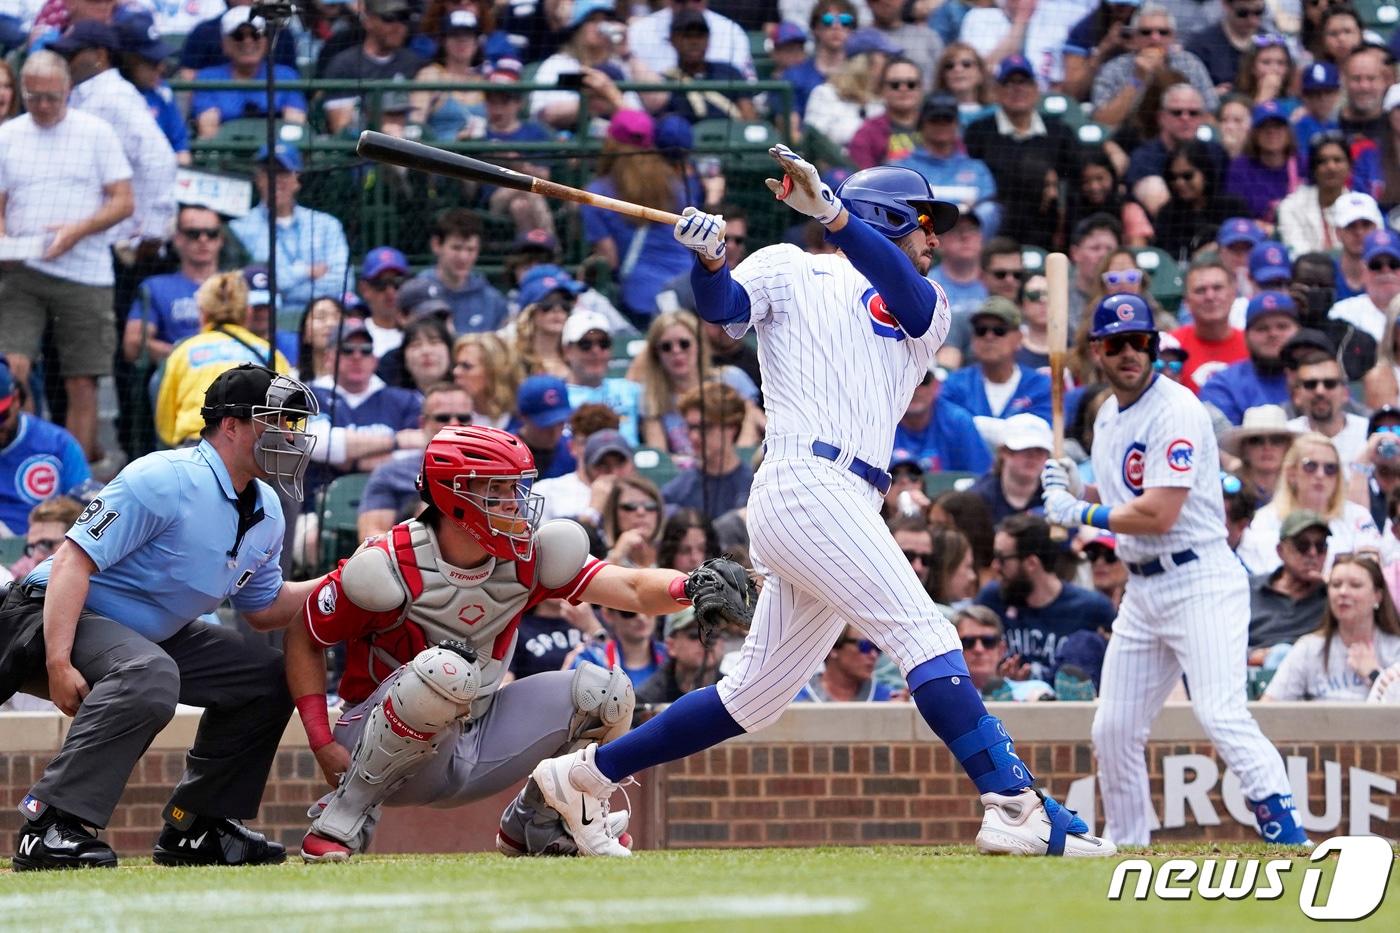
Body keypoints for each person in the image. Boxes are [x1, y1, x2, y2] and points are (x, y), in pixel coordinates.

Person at [529, 155, 1114, 859]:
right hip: (806, 479)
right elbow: (722, 311)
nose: (936, 238)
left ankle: (582, 777)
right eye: (926, 222)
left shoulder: (927, 301)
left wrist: (833, 216)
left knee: (753, 696)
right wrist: (709, 261)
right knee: (927, 635)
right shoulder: (787, 265)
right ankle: (1014, 802)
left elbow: (907, 297)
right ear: (889, 218)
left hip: (847, 498)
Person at [288, 425, 728, 861]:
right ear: (454, 496)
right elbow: (303, 636)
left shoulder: (527, 553)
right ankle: (345, 814)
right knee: (446, 669)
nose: (514, 503)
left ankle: (542, 822)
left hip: (480, 731)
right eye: (496, 490)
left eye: (515, 487)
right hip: (377, 749)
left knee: (607, 693)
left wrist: (689, 586)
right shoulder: (387, 562)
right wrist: (321, 741)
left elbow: (630, 587)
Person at [1, 364, 322, 870]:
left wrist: (346, 582)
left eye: (293, 423)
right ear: (231, 425)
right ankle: (48, 826)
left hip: (145, 636)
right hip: (44, 615)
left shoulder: (269, 509)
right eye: (276, 420)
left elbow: (264, 609)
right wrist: (59, 661)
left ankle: (198, 827)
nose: (290, 434)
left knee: (264, 676)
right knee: (149, 673)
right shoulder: (164, 477)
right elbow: (71, 562)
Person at [1040, 292, 1309, 848]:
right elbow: (1123, 498)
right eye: (1117, 344)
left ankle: (1287, 834)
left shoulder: (1177, 409)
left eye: (1140, 341)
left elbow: (1159, 513)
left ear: (1155, 347)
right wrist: (1076, 487)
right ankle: (1128, 844)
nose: (1130, 353)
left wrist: (1078, 512)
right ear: (1098, 351)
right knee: (1113, 728)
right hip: (1143, 589)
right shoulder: (1107, 416)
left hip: (1199, 579)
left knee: (1219, 713)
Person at [0, 51, 132, 463]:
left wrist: (77, 230)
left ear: (68, 91)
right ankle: (21, 467)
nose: (42, 105)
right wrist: (3, 241)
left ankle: (73, 479)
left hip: (86, 271)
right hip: (22, 270)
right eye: (33, 97)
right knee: (12, 370)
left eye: (51, 97)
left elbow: (123, 200)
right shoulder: (7, 135)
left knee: (82, 381)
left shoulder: (96, 133)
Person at [52, 21, 176, 256]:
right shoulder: (84, 93)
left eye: (72, 53)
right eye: (62, 53)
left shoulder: (113, 97)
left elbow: (159, 159)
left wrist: (153, 230)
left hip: (123, 243)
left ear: (100, 55)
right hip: (96, 236)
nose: (65, 60)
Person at [154, 272, 293, 448]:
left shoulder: (183, 352)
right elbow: (291, 417)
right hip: (255, 450)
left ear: (203, 313)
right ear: (247, 312)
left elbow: (165, 423)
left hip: (197, 449)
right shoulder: (270, 354)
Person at [975, 513, 1116, 683]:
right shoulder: (992, 599)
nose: (994, 566)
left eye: (1002, 559)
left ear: (1031, 563)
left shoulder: (1093, 609)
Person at [963, 54, 1079, 249]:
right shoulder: (979, 132)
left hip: (1047, 227)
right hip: (997, 230)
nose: (1017, 89)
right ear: (997, 91)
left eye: (1024, 82)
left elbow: (1075, 177)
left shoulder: (1059, 132)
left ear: (1036, 89)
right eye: (1009, 83)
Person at [304, 320, 423, 497]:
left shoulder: (405, 400)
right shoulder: (309, 395)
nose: (357, 356)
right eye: (347, 350)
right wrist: (396, 441)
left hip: (394, 499)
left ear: (374, 360)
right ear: (329, 358)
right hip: (319, 499)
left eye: (365, 350)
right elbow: (315, 443)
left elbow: (419, 451)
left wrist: (352, 461)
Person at [1235, 432, 1381, 575]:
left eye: (1330, 468)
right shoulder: (1265, 519)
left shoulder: (1357, 516)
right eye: (1310, 466)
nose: (1320, 474)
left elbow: (1371, 568)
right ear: (1291, 473)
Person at [1263, 554, 1400, 701]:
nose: (1343, 592)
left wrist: (1374, 675)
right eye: (1336, 585)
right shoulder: (1308, 649)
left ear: (1377, 595)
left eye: (1355, 585)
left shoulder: (1396, 649)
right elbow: (1269, 705)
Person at [229, 144, 350, 311]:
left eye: (283, 173)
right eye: (269, 173)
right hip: (265, 318)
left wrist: (283, 287)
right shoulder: (240, 228)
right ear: (259, 179)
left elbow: (343, 283)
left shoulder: (326, 225)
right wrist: (305, 272)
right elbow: (246, 285)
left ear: (296, 180)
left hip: (320, 317)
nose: (276, 181)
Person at [356, 382, 473, 539]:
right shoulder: (390, 474)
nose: (454, 424)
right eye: (442, 418)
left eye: (463, 418)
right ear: (423, 423)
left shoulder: (492, 473)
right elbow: (371, 536)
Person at [123, 204, 225, 366]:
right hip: (177, 372)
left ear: (221, 239)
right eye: (193, 233)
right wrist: (189, 356)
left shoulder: (238, 286)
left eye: (211, 233)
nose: (203, 239)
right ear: (177, 239)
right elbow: (132, 344)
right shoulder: (156, 287)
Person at [1090, 5, 1218, 130]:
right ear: (1134, 38)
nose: (1155, 38)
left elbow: (1211, 116)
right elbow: (1102, 121)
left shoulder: (1190, 64)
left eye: (1163, 32)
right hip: (1130, 137)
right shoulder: (1114, 68)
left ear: (1173, 37)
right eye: (1146, 32)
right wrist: (1137, 79)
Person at [0, 363, 90, 537]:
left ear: (16, 399)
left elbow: (85, 508)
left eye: (1, 415)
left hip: (45, 546)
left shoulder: (57, 444)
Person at [191, 8, 305, 139]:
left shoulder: (287, 76)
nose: (247, 41)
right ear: (225, 44)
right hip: (227, 148)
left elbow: (295, 128)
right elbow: (209, 132)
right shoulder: (207, 78)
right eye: (238, 36)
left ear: (266, 40)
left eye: (255, 35)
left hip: (276, 149)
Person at [890, 92, 998, 230]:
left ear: (957, 124)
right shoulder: (903, 168)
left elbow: (988, 210)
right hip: (922, 233)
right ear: (922, 123)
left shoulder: (976, 168)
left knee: (989, 209)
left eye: (947, 119)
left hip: (965, 234)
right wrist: (930, 229)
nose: (941, 124)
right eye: (935, 119)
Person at [319, 0, 427, 135]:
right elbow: (341, 128)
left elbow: (418, 121)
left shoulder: (413, 62)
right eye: (389, 18)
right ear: (368, 21)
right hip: (361, 144)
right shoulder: (345, 64)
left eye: (404, 18)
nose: (398, 26)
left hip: (404, 140)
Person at [941, 298, 1052, 423]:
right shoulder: (954, 385)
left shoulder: (1040, 387)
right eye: (981, 330)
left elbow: (1042, 430)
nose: (989, 337)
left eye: (999, 330)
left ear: (1019, 338)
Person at [1199, 290, 1300, 426]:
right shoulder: (1222, 385)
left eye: (1282, 326)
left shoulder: (1318, 380)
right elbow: (1220, 437)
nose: (1273, 334)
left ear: (1299, 331)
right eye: (1262, 328)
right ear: (1246, 336)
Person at [1248, 509, 1330, 663]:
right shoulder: (1250, 589)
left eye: (1320, 546)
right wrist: (1252, 656)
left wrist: (1333, 585)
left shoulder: (1332, 596)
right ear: (1280, 551)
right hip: (1253, 668)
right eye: (1302, 545)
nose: (1312, 553)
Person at [661, 381, 753, 516]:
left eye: (705, 427)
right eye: (690, 427)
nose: (694, 436)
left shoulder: (756, 485)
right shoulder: (676, 493)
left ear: (731, 428)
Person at [415, 209, 509, 335]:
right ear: (436, 245)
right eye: (456, 248)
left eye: (470, 249)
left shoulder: (493, 301)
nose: (463, 257)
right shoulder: (416, 293)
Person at [535, 411, 633, 525]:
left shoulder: (640, 494)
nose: (595, 447)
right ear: (572, 446)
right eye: (586, 442)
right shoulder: (544, 491)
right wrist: (593, 512)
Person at [562, 310, 643, 446]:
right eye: (585, 344)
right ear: (567, 350)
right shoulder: (556, 396)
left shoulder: (630, 390)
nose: (596, 351)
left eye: (603, 343)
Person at [660, 9, 756, 123]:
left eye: (700, 36)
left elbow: (750, 119)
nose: (694, 42)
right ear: (673, 40)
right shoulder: (665, 82)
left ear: (708, 39)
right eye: (687, 36)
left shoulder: (729, 73)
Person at [893, 366, 991, 474]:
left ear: (936, 386)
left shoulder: (958, 422)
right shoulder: (882, 424)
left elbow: (981, 475)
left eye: (924, 380)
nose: (915, 388)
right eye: (905, 380)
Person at [1171, 259, 1246, 393]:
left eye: (1217, 288)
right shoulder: (1171, 346)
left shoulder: (1252, 346)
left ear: (1233, 294)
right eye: (1200, 290)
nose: (1210, 296)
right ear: (1186, 301)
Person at [1287, 354, 1369, 468]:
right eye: (1310, 384)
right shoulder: (1285, 436)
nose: (1320, 391)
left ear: (1346, 393)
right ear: (1296, 396)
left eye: (1330, 384)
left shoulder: (1367, 432)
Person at [969, 412, 1051, 524]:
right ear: (1004, 452)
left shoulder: (1056, 497)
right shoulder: (978, 498)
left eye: (1040, 450)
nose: (1032, 457)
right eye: (1024, 449)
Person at [633, 607, 726, 705]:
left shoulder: (733, 691)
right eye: (694, 635)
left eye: (714, 635)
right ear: (671, 645)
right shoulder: (646, 700)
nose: (706, 642)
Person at [848, 56, 924, 169]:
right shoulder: (867, 133)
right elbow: (862, 176)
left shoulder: (941, 125)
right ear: (882, 89)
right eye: (895, 85)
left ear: (921, 88)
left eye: (911, 84)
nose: (903, 89)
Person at [569, 605, 667, 690]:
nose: (641, 617)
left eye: (648, 608)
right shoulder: (590, 661)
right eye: (629, 612)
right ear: (608, 614)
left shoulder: (671, 656)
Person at [1219, 404, 1300, 506]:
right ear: (1244, 448)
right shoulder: (1227, 491)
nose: (1267, 447)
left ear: (1288, 447)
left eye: (1276, 440)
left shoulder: (1301, 489)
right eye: (1256, 440)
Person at [1330, 229, 1400, 343]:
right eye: (1376, 265)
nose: (1386, 270)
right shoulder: (1343, 313)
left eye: (1394, 264)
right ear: (1363, 271)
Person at [793, 625, 895, 702]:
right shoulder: (794, 698)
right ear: (833, 647)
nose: (874, 655)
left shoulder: (889, 699)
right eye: (864, 646)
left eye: (877, 648)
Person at [1185, 0, 1270, 91]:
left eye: (1258, 12)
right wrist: (1211, 93)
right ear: (1226, 5)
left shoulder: (1269, 40)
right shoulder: (1201, 45)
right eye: (1243, 13)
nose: (1252, 20)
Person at [1338, 44, 1391, 145]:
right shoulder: (1330, 125)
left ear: (1384, 81)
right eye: (1356, 79)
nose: (1364, 86)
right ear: (1344, 81)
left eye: (1371, 78)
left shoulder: (1395, 127)